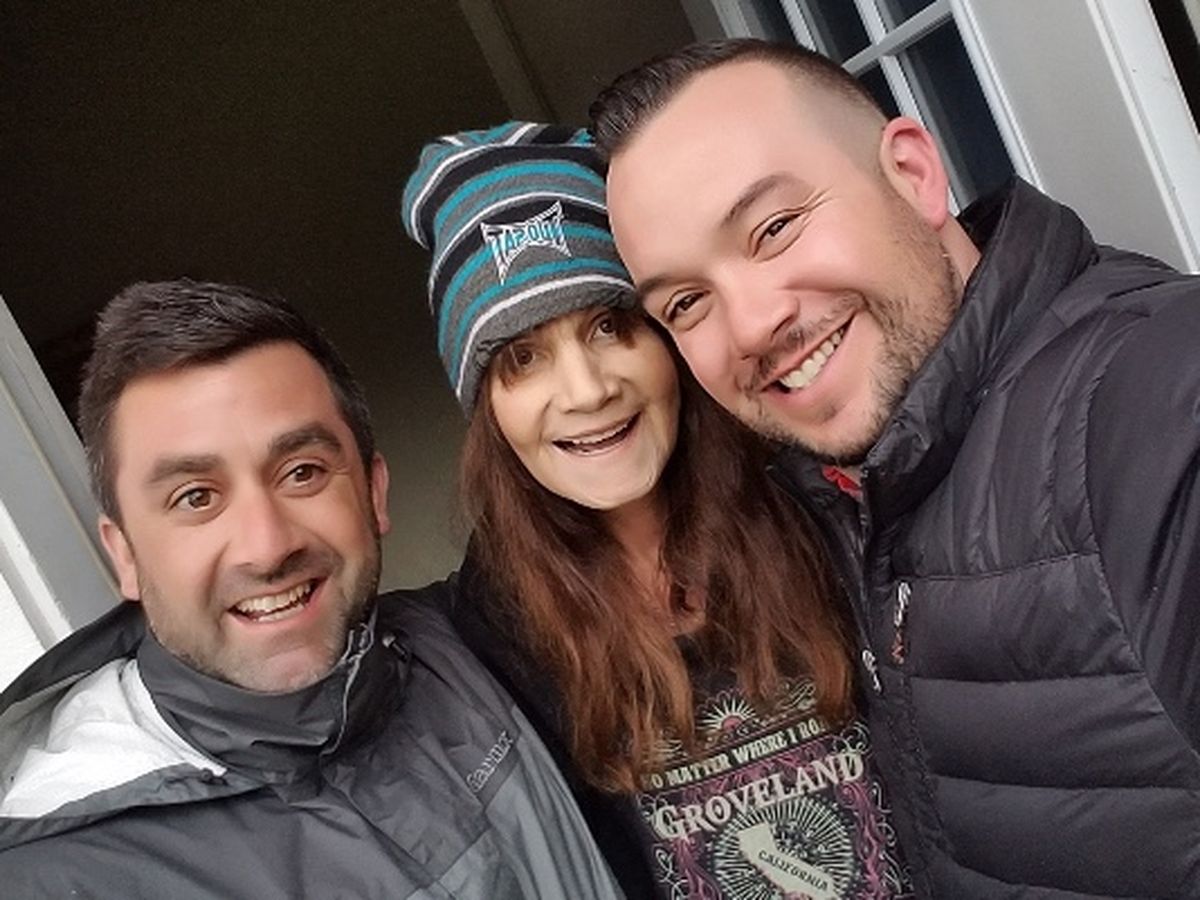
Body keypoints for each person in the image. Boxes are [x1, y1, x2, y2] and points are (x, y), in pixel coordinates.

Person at [591, 36, 1200, 898]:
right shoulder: (844, 497)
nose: (752, 325)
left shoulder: (1160, 401)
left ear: (914, 173)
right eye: (687, 302)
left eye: (774, 228)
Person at [401, 122, 913, 899]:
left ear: (668, 342)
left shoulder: (820, 508)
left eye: (609, 327)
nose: (586, 391)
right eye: (523, 358)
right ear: (490, 411)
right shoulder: (485, 635)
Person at [0, 280, 622, 899]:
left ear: (373, 492)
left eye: (302, 472)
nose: (267, 546)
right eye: (196, 497)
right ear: (126, 555)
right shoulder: (55, 878)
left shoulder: (476, 643)